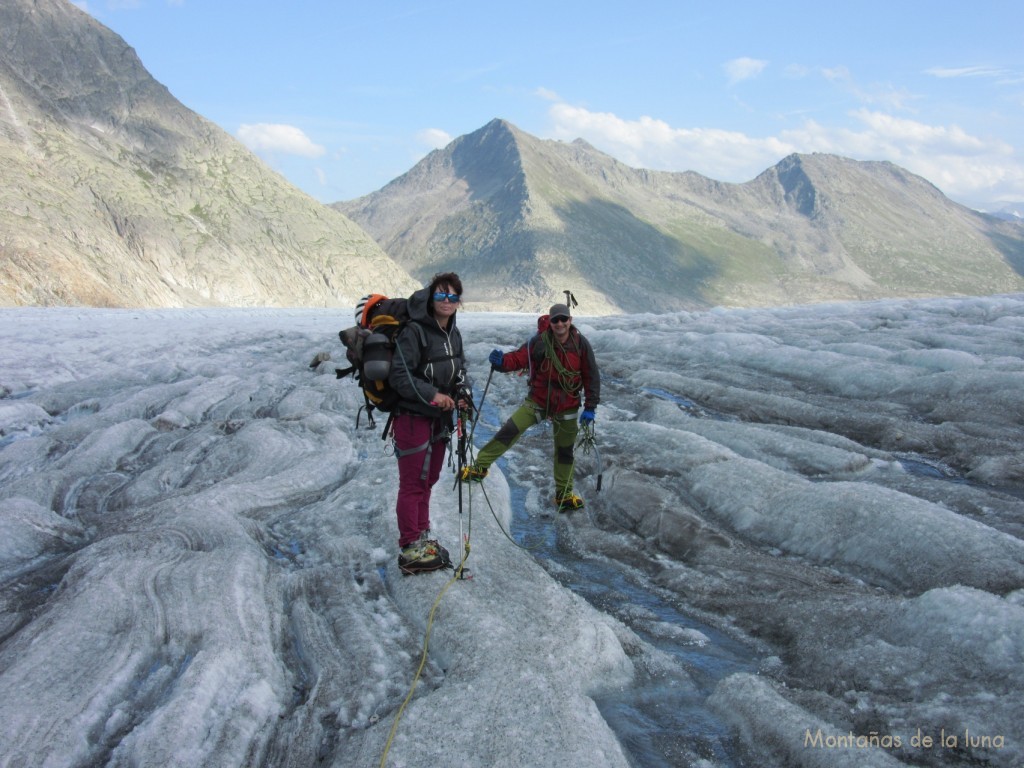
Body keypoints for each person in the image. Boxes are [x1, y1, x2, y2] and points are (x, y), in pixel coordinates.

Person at [461, 303, 600, 512]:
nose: (560, 323)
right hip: (538, 401)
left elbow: (591, 376)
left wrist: (590, 406)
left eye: (564, 319)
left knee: (564, 451)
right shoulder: (539, 342)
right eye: (556, 320)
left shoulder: (581, 344)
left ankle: (564, 495)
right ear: (551, 322)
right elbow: (518, 358)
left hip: (567, 404)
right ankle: (480, 467)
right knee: (510, 430)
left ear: (570, 321)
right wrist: (501, 362)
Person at [388, 272, 469, 573]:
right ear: (431, 298)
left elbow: (460, 369)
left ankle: (422, 535)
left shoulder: (454, 334)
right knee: (412, 483)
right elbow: (400, 375)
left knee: (429, 479)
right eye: (441, 295)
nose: (446, 301)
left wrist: (461, 394)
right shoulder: (415, 332)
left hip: (441, 419)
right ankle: (410, 546)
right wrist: (433, 395)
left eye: (452, 296)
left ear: (459, 301)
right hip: (412, 416)